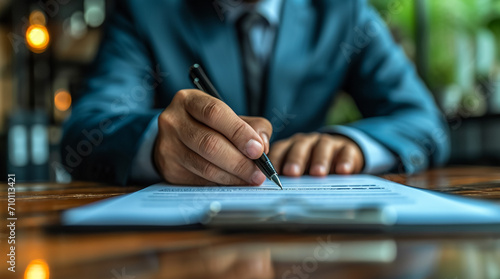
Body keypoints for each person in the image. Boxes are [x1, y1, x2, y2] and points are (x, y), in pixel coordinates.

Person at [61, 0, 450, 186]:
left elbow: (424, 122)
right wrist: (156, 145)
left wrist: (353, 145)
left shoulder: (343, 12)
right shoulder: (144, 11)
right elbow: (86, 131)